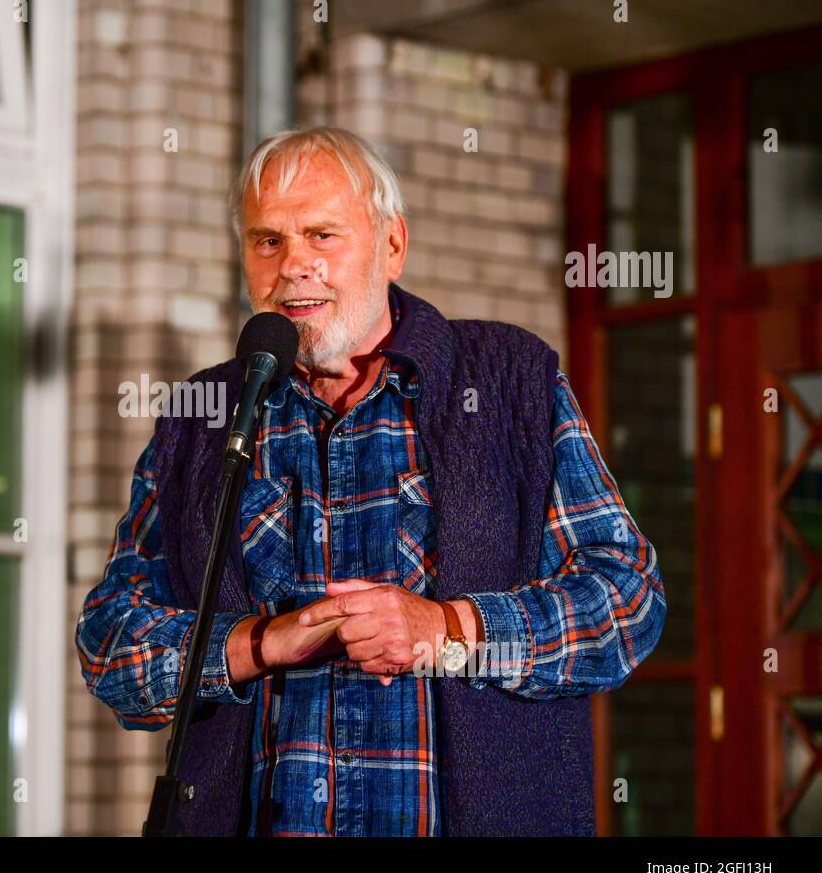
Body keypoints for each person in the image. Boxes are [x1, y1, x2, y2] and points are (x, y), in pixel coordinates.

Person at [76, 126, 666, 836]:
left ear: (393, 245)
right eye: (268, 241)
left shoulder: (510, 379)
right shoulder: (203, 415)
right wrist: (262, 642)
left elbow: (626, 599)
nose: (294, 266)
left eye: (322, 235)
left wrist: (449, 629)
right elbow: (109, 643)